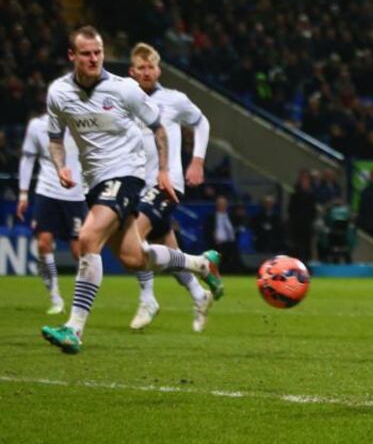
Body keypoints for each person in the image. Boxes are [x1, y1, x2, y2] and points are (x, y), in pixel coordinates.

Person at [40, 26, 223, 355]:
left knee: (88, 238)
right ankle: (199, 264)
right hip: (93, 183)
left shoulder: (124, 90)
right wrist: (60, 166)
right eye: (86, 53)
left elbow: (159, 130)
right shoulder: (58, 94)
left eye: (98, 52)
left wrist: (166, 172)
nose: (94, 58)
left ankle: (74, 329)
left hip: (128, 175)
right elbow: (54, 138)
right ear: (72, 56)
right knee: (133, 257)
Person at [126, 42, 218, 332]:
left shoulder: (173, 100)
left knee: (134, 239)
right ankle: (199, 292)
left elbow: (202, 123)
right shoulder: (124, 100)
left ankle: (147, 299)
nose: (146, 72)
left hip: (167, 184)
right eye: (140, 67)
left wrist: (198, 161)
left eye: (150, 67)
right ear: (132, 71)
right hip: (135, 185)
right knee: (171, 256)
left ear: (158, 69)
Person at [17, 104, 87, 315]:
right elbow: (28, 158)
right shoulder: (37, 126)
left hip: (76, 195)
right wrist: (23, 193)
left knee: (79, 252)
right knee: (43, 243)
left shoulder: (83, 124)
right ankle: (55, 298)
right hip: (46, 192)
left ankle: (79, 301)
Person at [204, 195, 243, 273]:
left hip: (231, 243)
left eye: (223, 204)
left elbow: (238, 229)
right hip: (217, 243)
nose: (222, 206)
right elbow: (207, 231)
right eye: (220, 204)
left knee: (234, 250)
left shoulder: (233, 217)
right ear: (216, 205)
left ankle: (235, 272)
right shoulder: (211, 218)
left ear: (227, 205)